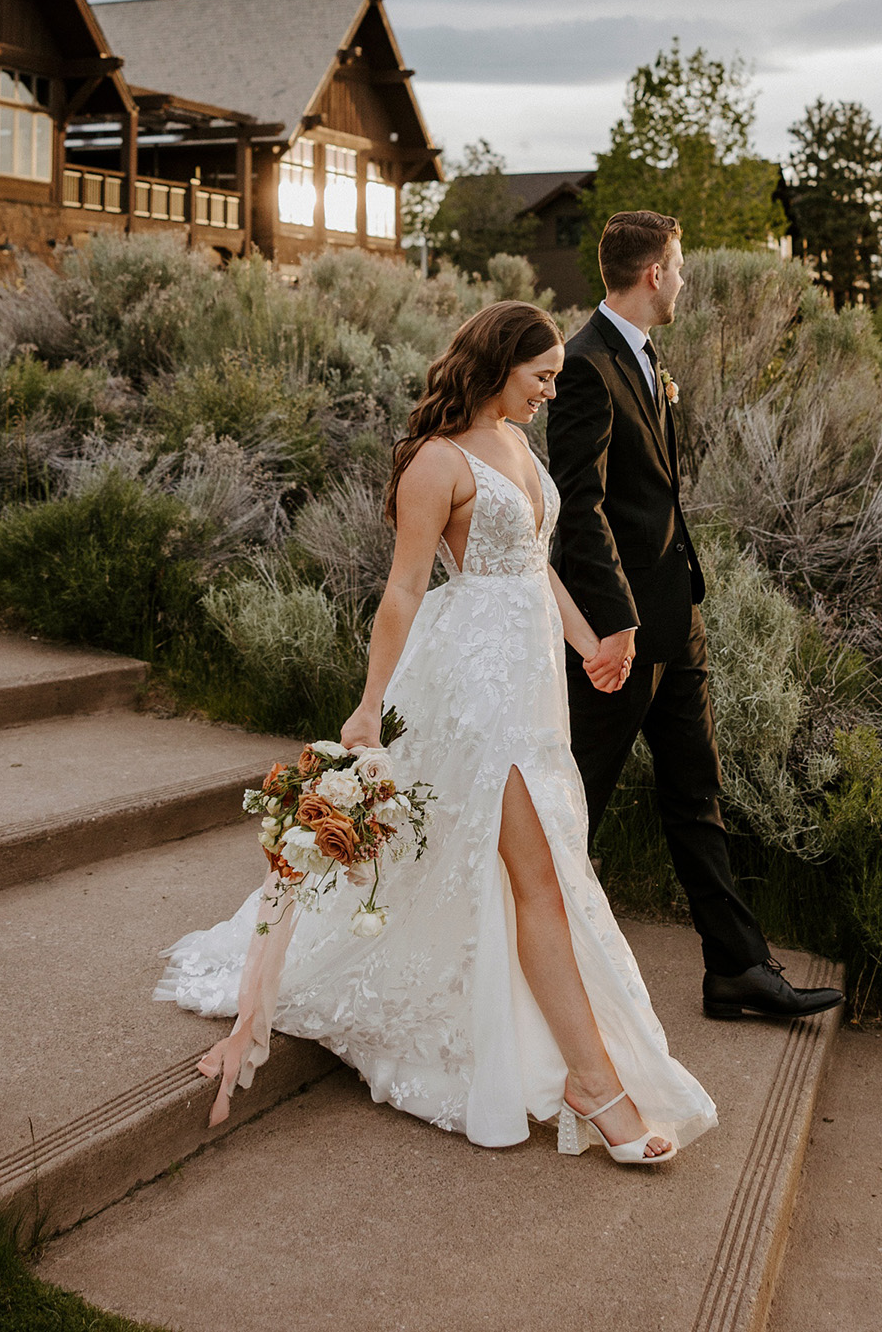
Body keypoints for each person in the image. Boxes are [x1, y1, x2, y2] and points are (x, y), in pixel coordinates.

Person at [156, 300, 716, 1165]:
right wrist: (369, 703)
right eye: (540, 378)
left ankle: (574, 1064)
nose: (549, 393)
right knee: (542, 876)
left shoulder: (522, 447)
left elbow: (535, 567)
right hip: (470, 691)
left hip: (532, 690)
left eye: (556, 379)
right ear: (497, 366)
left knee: (538, 870)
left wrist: (593, 643)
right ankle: (595, 1085)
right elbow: (405, 592)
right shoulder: (436, 461)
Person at [547, 210, 843, 1024]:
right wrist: (616, 622)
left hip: (680, 620)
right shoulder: (584, 366)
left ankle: (738, 970)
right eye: (679, 268)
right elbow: (581, 507)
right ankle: (515, 958)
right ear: (654, 274)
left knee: (695, 795)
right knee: (572, 802)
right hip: (621, 637)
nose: (684, 282)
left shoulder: (647, 357)